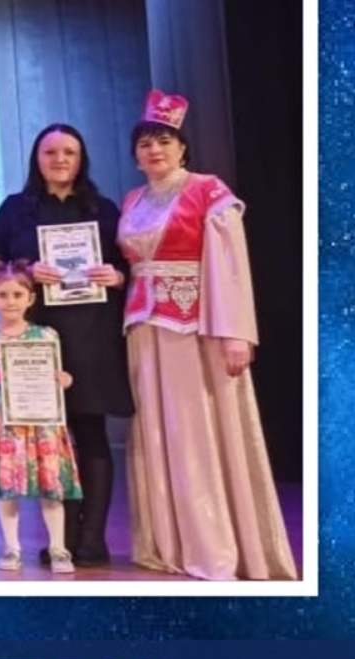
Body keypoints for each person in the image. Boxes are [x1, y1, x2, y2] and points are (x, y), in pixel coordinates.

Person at [115, 90, 296, 580]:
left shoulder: (208, 191)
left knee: (196, 430)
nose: (155, 150)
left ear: (182, 148)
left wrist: (235, 333)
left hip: (193, 326)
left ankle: (213, 545)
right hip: (143, 327)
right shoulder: (132, 200)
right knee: (157, 431)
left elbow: (230, 267)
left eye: (164, 141)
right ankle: (170, 542)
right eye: (145, 143)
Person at [0, 123, 131, 567]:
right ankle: (60, 540)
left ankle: (93, 539)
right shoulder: (15, 209)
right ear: (37, 158)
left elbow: (129, 264)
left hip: (93, 334)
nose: (60, 159)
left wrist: (117, 276)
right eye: (50, 152)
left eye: (69, 152)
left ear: (81, 158)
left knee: (91, 433)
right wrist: (26, 269)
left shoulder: (104, 209)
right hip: (38, 337)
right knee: (51, 436)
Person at [0, 260, 82, 574]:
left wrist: (64, 379)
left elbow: (58, 374)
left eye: (18, 295)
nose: (10, 301)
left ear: (30, 298)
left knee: (50, 483)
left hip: (40, 419)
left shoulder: (45, 335)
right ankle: (11, 547)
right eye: (3, 295)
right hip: (0, 419)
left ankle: (59, 548)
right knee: (7, 484)